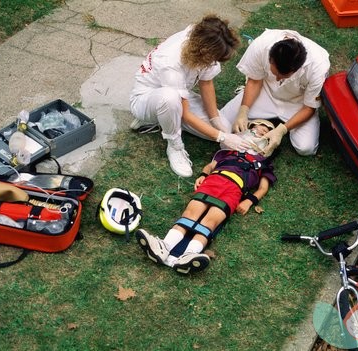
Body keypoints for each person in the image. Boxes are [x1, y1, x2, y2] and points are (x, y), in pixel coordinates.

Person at [135, 119, 277, 274]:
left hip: (234, 189)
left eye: (268, 131)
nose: (263, 130)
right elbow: (211, 166)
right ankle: (164, 246)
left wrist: (250, 201)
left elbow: (263, 187)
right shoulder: (229, 151)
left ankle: (189, 255)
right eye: (259, 127)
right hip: (213, 180)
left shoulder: (264, 162)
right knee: (189, 215)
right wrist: (203, 175)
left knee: (209, 222)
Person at [129, 15, 250, 178]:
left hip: (179, 95)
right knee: (169, 99)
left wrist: (216, 121)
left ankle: (165, 120)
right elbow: (185, 113)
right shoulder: (170, 61)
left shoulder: (204, 38)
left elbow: (206, 83)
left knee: (226, 131)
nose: (214, 63)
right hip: (147, 98)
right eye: (212, 59)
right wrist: (221, 136)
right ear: (203, 52)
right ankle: (174, 146)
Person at [220, 29, 330, 157]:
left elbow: (309, 107)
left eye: (283, 76)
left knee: (306, 148)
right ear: (270, 59)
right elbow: (255, 81)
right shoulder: (261, 45)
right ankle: (251, 111)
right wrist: (243, 111)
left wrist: (281, 130)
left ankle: (272, 123)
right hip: (265, 91)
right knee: (223, 125)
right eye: (275, 73)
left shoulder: (319, 65)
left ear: (297, 68)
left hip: (299, 103)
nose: (277, 79)